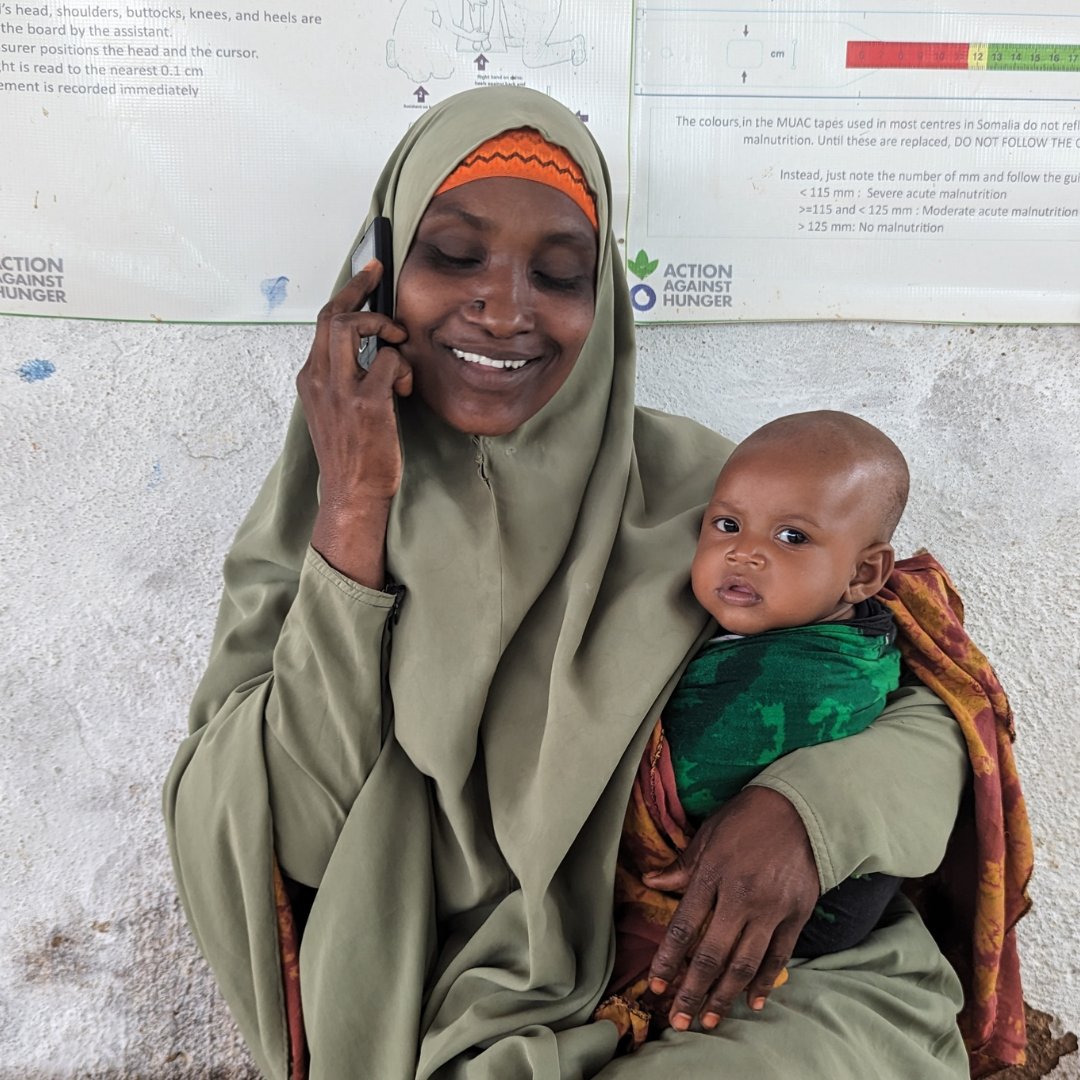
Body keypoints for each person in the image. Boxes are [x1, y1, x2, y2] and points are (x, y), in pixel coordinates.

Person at [164, 86, 977, 1079]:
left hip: (755, 993)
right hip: (457, 999)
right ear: (372, 280)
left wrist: (809, 812)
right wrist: (355, 514)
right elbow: (287, 834)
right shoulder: (310, 529)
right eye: (453, 256)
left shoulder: (711, 502)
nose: (505, 309)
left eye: (559, 273)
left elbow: (930, 705)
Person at [603, 410, 916, 1035]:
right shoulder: (824, 625)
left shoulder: (809, 675)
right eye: (726, 525)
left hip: (795, 926)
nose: (744, 552)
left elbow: (679, 778)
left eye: (792, 538)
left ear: (864, 575)